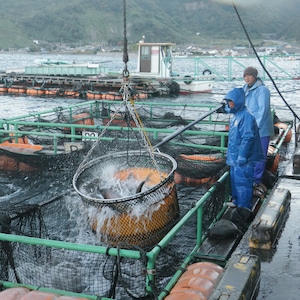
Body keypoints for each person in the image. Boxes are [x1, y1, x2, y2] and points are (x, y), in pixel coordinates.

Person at [224, 87, 264, 209]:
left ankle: (244, 208)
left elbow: (248, 138)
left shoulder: (246, 116)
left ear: (238, 101)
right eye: (228, 102)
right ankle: (236, 201)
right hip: (234, 157)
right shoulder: (237, 114)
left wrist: (242, 155)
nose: (229, 104)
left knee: (243, 183)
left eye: (231, 101)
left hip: (244, 159)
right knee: (235, 181)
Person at [243, 67, 274, 189]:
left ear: (255, 77)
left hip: (261, 129)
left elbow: (263, 110)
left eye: (249, 75)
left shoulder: (263, 90)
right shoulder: (245, 89)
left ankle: (256, 181)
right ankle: (249, 178)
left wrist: (255, 126)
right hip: (248, 128)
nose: (247, 78)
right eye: (245, 76)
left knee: (259, 156)